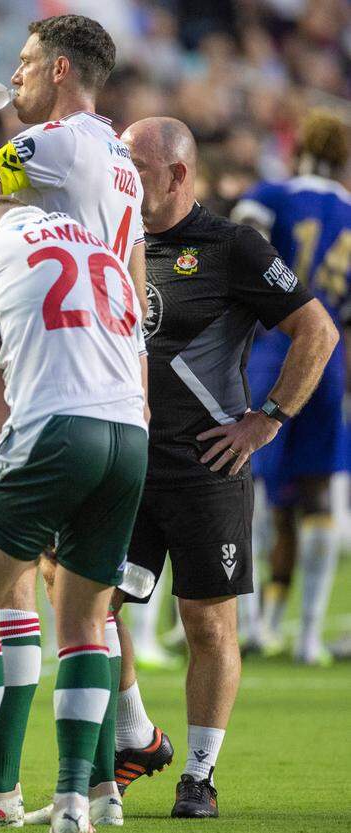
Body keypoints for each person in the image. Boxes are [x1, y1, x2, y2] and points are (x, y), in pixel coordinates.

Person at [0, 14, 146, 822]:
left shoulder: (61, 145)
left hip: (48, 390)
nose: (10, 76)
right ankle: (91, 794)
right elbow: (134, 290)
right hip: (118, 395)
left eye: (20, 64)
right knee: (83, 614)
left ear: (56, 70)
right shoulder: (123, 167)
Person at [115, 117, 337, 818]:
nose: (124, 182)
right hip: (124, 461)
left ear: (179, 174)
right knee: (92, 607)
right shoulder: (113, 237)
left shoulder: (233, 244)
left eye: (137, 170)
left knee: (207, 623)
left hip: (206, 465)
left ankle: (200, 775)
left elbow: (317, 329)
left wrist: (267, 416)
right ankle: (135, 736)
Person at [230, 109, 351, 664]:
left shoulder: (270, 194)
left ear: (298, 145)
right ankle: (306, 638)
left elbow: (236, 245)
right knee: (319, 493)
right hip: (330, 360)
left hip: (271, 348)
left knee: (246, 479)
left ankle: (251, 624)